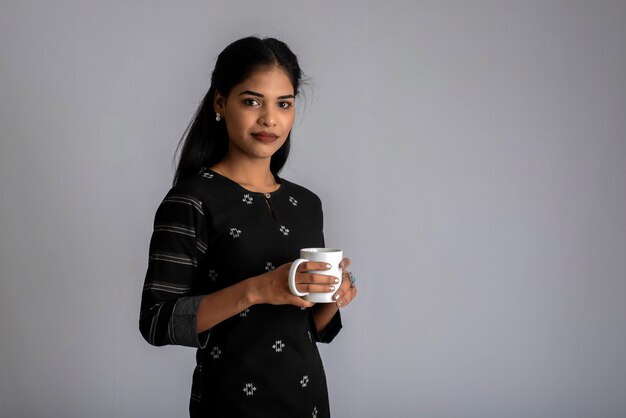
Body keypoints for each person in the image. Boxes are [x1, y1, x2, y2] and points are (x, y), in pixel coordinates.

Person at [139, 36, 357, 417]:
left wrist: (333, 296)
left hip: (309, 403)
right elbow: (157, 322)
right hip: (231, 403)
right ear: (220, 103)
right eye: (252, 101)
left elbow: (309, 326)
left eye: (284, 104)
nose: (270, 119)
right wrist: (259, 289)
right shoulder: (191, 201)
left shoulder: (306, 204)